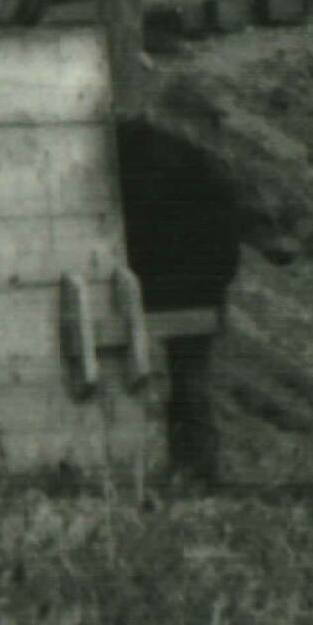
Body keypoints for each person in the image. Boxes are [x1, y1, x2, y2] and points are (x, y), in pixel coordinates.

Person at [112, 114, 246, 489]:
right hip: (200, 289)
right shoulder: (205, 174)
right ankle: (195, 466)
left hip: (171, 285)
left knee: (177, 377)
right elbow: (226, 251)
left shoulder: (143, 169)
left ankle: (185, 465)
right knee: (190, 378)